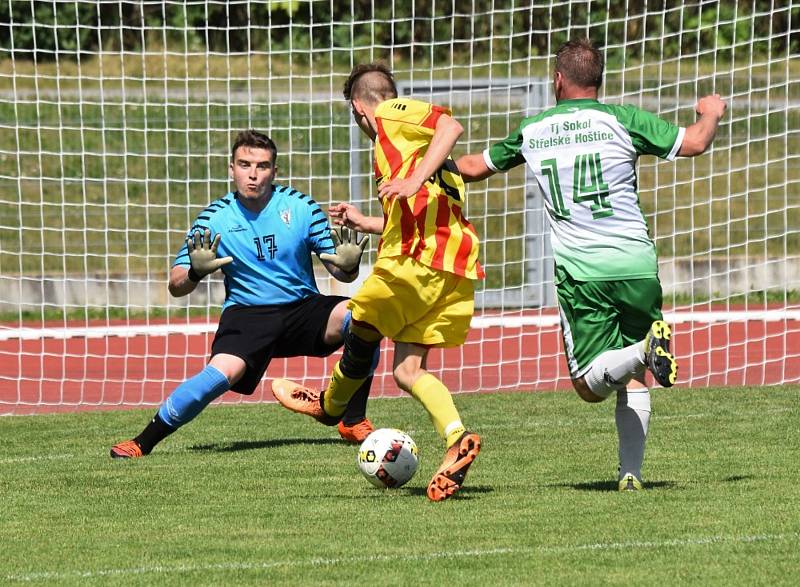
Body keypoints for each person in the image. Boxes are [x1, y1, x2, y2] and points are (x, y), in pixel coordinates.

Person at [456, 38, 726, 490]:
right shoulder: (624, 120)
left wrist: (423, 168)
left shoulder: (534, 129)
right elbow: (696, 142)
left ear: (557, 80)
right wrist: (711, 110)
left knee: (586, 384)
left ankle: (643, 350)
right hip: (637, 263)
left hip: (583, 272)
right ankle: (631, 475)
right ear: (599, 81)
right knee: (633, 376)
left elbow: (472, 166)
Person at [271, 63, 485, 501]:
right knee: (407, 371)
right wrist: (365, 221)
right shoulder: (404, 149)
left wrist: (412, 178)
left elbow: (451, 124)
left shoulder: (391, 113)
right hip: (453, 268)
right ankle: (456, 436)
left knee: (359, 319)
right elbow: (407, 211)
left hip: (418, 260)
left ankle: (330, 407)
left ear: (357, 108)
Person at [110, 130, 378, 458]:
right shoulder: (214, 218)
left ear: (274, 172)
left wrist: (349, 266)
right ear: (231, 169)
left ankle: (351, 418)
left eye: (262, 166)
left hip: (303, 308)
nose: (253, 174)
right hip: (248, 314)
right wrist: (195, 270)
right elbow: (176, 284)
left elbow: (339, 270)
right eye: (245, 164)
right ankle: (142, 442)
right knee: (218, 377)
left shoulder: (301, 207)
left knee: (364, 318)